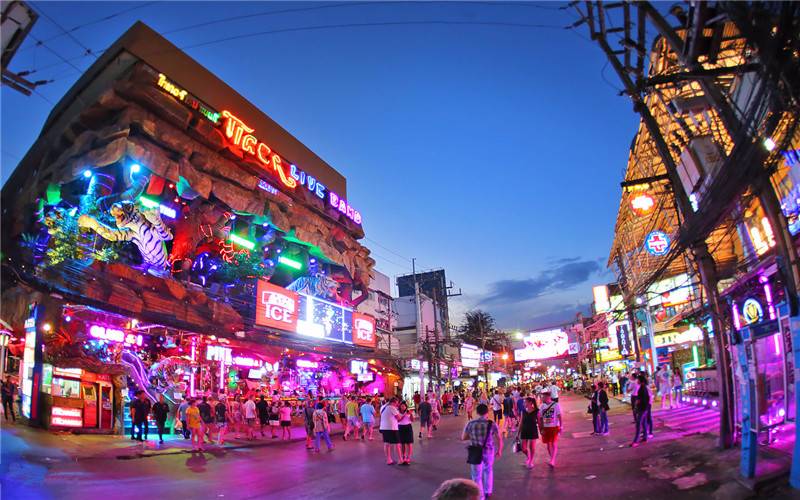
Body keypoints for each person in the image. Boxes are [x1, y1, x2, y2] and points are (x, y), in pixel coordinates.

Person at [461, 404, 502, 500]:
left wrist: (474, 436)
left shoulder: (470, 423)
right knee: (488, 470)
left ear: (477, 412)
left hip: (475, 452)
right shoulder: (491, 424)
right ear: (487, 412)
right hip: (488, 451)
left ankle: (480, 496)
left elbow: (463, 437)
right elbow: (499, 438)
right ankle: (488, 491)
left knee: (476, 476)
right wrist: (499, 450)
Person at [539, 390, 562, 468]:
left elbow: (559, 416)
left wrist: (561, 426)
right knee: (548, 445)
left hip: (554, 426)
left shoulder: (556, 405)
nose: (542, 398)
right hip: (545, 428)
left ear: (548, 397)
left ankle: (552, 460)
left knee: (554, 443)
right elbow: (540, 418)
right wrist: (541, 428)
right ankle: (552, 458)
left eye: (543, 397)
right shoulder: (542, 406)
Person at [517, 396, 539, 469]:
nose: (524, 403)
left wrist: (542, 430)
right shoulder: (523, 411)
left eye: (525, 402)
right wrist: (518, 433)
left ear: (530, 402)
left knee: (532, 447)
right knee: (523, 449)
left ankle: (531, 461)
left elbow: (539, 422)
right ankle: (529, 457)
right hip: (524, 430)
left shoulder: (536, 411)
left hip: (533, 430)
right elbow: (521, 422)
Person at [379, 397, 402, 465]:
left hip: (383, 427)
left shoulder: (383, 407)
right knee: (397, 444)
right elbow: (398, 418)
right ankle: (400, 459)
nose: (397, 405)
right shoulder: (392, 407)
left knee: (387, 443)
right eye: (397, 403)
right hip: (392, 428)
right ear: (394, 402)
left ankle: (389, 460)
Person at [631, 374, 651, 447]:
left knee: (638, 424)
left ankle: (635, 441)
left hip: (642, 408)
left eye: (638, 380)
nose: (637, 381)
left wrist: (637, 403)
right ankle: (645, 436)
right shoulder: (643, 387)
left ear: (641, 380)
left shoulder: (642, 389)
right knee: (643, 423)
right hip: (644, 408)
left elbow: (642, 399)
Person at [397, 401, 415, 465]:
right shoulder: (397, 412)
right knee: (402, 443)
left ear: (406, 407)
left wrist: (411, 414)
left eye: (404, 406)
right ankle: (403, 456)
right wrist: (404, 415)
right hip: (400, 427)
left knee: (409, 443)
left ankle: (408, 457)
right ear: (400, 407)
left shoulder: (408, 412)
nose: (403, 407)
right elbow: (398, 420)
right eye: (402, 406)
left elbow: (413, 420)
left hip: (408, 427)